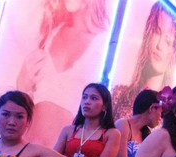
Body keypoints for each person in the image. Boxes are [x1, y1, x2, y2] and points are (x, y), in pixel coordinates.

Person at [16, 0, 112, 145]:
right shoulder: (50, 32)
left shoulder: (104, 45)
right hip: (26, 143)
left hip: (60, 154)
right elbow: (25, 94)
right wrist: (22, 85)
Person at [111, 1, 176, 119]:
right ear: (148, 35)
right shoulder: (120, 95)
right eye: (157, 33)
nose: (159, 46)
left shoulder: (171, 113)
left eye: (168, 41)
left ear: (173, 51)